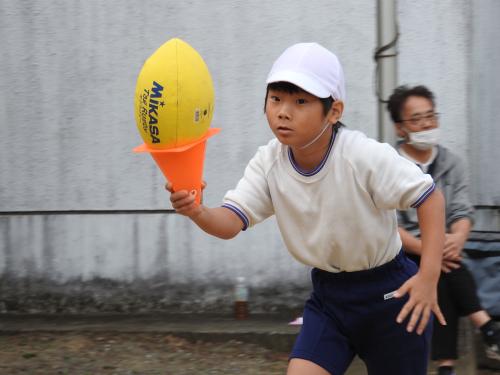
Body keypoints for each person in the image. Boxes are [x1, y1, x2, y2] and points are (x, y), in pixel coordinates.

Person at [167, 42, 447, 375]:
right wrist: (198, 211)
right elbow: (230, 222)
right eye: (276, 99)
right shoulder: (269, 162)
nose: (283, 111)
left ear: (334, 111)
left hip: (391, 296)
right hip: (329, 297)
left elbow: (430, 198)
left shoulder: (362, 156)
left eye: (301, 101)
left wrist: (428, 277)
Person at [387, 85, 500, 375]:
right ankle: (486, 326)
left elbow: (462, 211)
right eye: (417, 119)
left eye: (431, 116)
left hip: (443, 247)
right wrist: (431, 250)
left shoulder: (452, 163)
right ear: (401, 128)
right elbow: (387, 227)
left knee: (440, 268)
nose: (427, 124)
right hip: (403, 251)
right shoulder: (388, 166)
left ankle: (448, 365)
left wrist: (459, 236)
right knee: (437, 265)